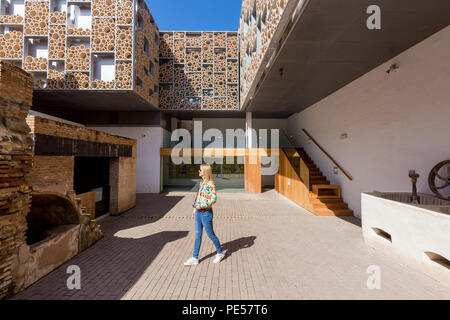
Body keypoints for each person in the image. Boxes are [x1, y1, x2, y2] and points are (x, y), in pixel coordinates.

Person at [184, 163, 224, 266]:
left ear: (205, 172)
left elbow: (213, 200)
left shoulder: (211, 184)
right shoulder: (202, 182)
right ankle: (195, 257)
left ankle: (219, 253)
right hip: (198, 213)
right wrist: (194, 209)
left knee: (210, 235)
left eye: (200, 170)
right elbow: (198, 196)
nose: (199, 171)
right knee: (198, 235)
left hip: (206, 213)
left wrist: (201, 206)